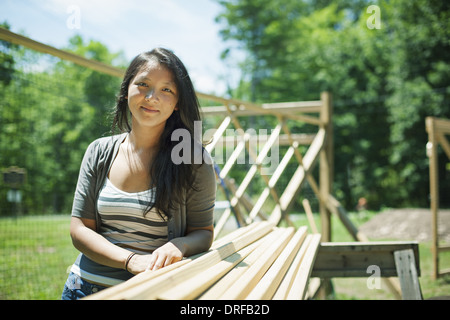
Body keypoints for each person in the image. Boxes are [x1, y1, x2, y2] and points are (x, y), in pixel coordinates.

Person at [61, 48, 216, 300]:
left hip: (152, 293)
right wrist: (130, 260)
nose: (152, 97)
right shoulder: (98, 152)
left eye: (167, 89)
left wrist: (180, 244)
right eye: (143, 84)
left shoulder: (193, 161)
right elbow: (79, 229)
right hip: (83, 289)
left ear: (177, 103)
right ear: (125, 91)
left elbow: (203, 232)